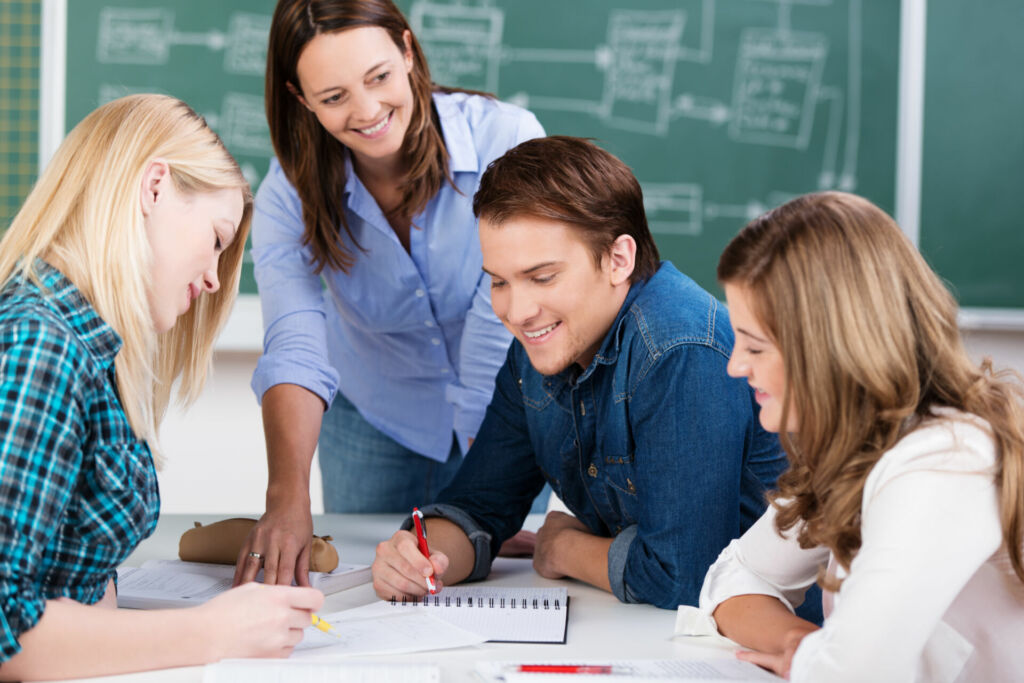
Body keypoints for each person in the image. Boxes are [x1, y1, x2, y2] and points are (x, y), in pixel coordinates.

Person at [370, 136, 804, 612]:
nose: (517, 311)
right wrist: (421, 557)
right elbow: (479, 505)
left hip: (759, 652)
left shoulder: (680, 349)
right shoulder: (543, 344)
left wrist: (563, 549)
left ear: (618, 259)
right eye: (498, 281)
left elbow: (684, 576)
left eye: (542, 277)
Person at [0, 94, 323, 680]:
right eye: (216, 240)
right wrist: (216, 630)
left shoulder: (88, 349)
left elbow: (64, 578)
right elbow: (4, 626)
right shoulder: (41, 346)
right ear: (154, 188)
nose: (212, 277)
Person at [237, 0, 545, 587]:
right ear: (300, 99)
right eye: (333, 98)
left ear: (407, 51)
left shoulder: (506, 138)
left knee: (505, 591)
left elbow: (499, 322)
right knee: (365, 589)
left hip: (505, 414)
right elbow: (295, 339)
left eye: (378, 77)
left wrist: (488, 492)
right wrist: (285, 497)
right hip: (375, 421)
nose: (368, 110)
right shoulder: (287, 194)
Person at [693, 191, 1024, 681]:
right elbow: (734, 576)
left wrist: (825, 662)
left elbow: (855, 674)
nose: (735, 365)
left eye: (756, 347)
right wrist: (801, 645)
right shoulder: (860, 446)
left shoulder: (945, 460)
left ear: (830, 351)